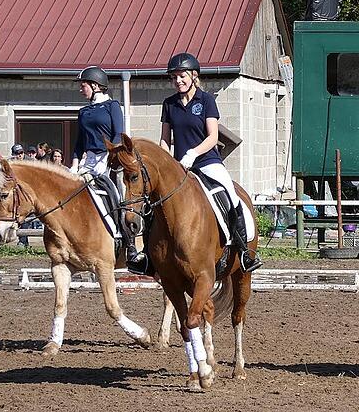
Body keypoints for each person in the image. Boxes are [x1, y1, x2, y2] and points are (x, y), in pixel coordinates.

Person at [160, 52, 261, 272]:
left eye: (182, 76)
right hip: (181, 167)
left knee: (230, 195)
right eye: (174, 77)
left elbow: (213, 137)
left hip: (207, 161)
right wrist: (166, 161)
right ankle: (149, 256)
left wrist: (193, 153)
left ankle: (244, 251)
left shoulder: (206, 100)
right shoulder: (169, 104)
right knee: (156, 203)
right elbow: (164, 139)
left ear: (193, 75)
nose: (178, 81)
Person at [73, 66, 145, 273]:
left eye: (83, 85)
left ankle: (130, 246)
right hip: (88, 160)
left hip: (110, 159)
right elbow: (79, 142)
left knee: (116, 198)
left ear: (95, 85)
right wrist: (75, 162)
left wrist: (107, 158)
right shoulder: (84, 111)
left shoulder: (112, 106)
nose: (81, 89)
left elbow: (118, 134)